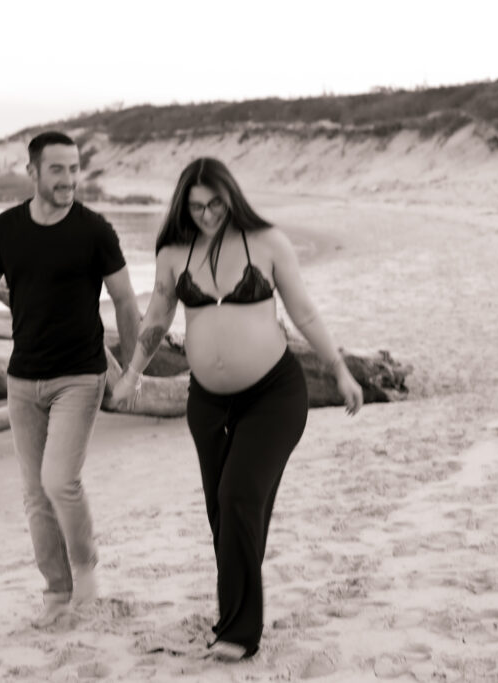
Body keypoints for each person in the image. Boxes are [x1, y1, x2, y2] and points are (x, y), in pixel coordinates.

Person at [110, 157, 362, 661]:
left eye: (216, 204)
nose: (207, 215)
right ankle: (234, 612)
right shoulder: (173, 251)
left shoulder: (267, 241)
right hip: (207, 402)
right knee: (225, 514)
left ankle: (239, 633)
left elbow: (303, 309)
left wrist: (339, 368)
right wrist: (132, 373)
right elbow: (158, 316)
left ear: (232, 196)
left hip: (274, 394)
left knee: (240, 494)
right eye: (197, 206)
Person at [0, 131, 140, 628]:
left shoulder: (94, 230)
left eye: (75, 169)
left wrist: (134, 369)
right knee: (35, 495)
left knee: (59, 481)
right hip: (23, 380)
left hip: (79, 377)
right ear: (32, 173)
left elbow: (125, 301)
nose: (69, 179)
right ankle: (57, 594)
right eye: (58, 170)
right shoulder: (3, 229)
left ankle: (86, 571)